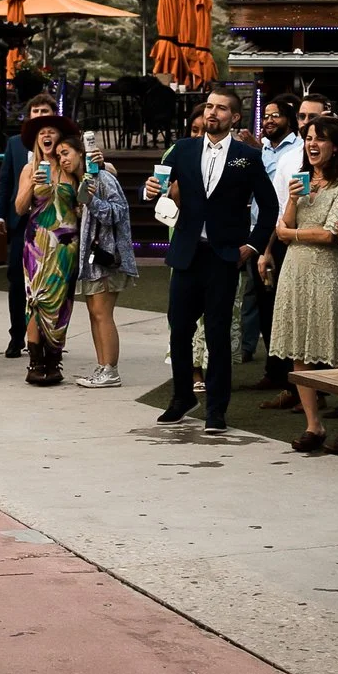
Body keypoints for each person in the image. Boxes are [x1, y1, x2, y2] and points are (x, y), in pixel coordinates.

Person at [145, 86, 275, 428]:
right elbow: (160, 187)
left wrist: (253, 246)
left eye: (220, 109)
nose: (211, 113)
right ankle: (182, 396)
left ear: (234, 117)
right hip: (187, 253)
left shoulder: (247, 156)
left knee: (216, 334)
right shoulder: (183, 150)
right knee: (179, 332)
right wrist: (151, 191)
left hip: (223, 256)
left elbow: (270, 207)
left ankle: (216, 409)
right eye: (209, 107)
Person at [272, 114, 338, 454]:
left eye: (320, 138)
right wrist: (293, 200)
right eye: (309, 137)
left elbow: (329, 233)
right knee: (299, 347)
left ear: (335, 145)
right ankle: (314, 425)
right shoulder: (301, 179)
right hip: (294, 270)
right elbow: (284, 225)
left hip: (327, 271)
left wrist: (291, 233)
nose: (312, 144)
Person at [18, 114, 92, 386]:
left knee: (62, 302)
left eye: (51, 132)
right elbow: (18, 208)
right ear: (37, 141)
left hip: (66, 246)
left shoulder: (70, 169)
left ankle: (53, 360)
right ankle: (35, 362)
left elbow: (95, 183)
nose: (46, 135)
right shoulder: (30, 169)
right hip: (36, 243)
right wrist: (30, 184)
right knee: (35, 301)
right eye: (41, 133)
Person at [72, 128, 138, 389]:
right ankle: (103, 366)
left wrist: (90, 201)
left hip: (107, 259)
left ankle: (111, 370)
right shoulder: (88, 179)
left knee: (102, 314)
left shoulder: (103, 178)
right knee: (94, 313)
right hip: (92, 260)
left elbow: (118, 213)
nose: (63, 159)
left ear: (82, 154)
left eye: (67, 153)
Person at [251, 97, 307, 399]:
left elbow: (286, 201)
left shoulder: (298, 152)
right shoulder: (260, 151)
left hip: (285, 236)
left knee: (285, 309)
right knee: (265, 306)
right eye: (266, 115)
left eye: (275, 116)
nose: (268, 120)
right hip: (258, 234)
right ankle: (274, 372)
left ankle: (294, 382)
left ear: (289, 119)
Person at [0, 103, 53, 358]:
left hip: (52, 225)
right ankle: (17, 336)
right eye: (36, 112)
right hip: (21, 222)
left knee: (50, 284)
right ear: (29, 117)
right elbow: (5, 180)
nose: (40, 116)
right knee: (18, 281)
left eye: (45, 112)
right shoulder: (16, 143)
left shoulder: (62, 146)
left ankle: (48, 338)